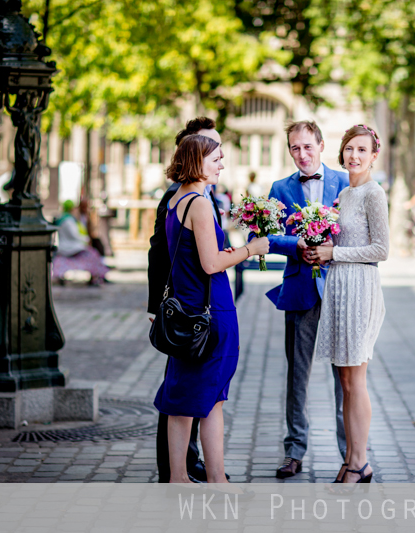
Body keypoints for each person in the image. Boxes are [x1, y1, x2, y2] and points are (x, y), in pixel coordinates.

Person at [152, 134, 269, 485]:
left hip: (188, 312)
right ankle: (216, 482)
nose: (222, 164)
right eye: (216, 159)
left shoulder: (177, 198)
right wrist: (250, 249)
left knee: (184, 401)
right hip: (209, 314)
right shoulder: (200, 204)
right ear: (196, 161)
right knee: (211, 400)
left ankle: (181, 479)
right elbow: (211, 263)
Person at [255, 120, 349, 478]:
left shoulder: (346, 182)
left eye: (308, 146)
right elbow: (261, 235)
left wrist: (330, 248)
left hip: (339, 289)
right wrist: (296, 244)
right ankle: (294, 451)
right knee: (297, 376)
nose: (302, 154)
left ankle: (350, 454)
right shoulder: (280, 187)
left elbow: (359, 233)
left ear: (321, 145)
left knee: (346, 377)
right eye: (295, 148)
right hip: (299, 289)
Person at [308, 125, 389, 484]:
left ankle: (360, 462)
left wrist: (334, 253)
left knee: (356, 379)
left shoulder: (374, 193)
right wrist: (322, 252)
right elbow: (343, 243)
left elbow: (381, 250)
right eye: (349, 149)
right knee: (344, 379)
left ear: (373, 156)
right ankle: (352, 459)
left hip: (361, 287)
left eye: (362, 150)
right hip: (339, 285)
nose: (354, 156)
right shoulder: (344, 194)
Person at [147, 117, 226, 483]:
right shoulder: (183, 197)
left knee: (189, 389)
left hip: (195, 302)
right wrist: (158, 306)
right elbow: (160, 252)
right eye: (212, 150)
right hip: (189, 308)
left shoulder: (201, 194)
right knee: (184, 392)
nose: (219, 157)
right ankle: (176, 470)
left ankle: (187, 467)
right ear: (193, 153)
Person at [53, 200, 110, 285]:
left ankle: (96, 276)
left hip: (65, 247)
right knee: (92, 255)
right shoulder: (68, 220)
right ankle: (97, 275)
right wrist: (85, 239)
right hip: (71, 248)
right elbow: (74, 235)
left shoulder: (62, 219)